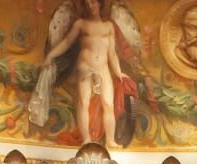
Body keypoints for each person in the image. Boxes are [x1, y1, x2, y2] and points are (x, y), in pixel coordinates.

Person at [43, 0, 131, 146]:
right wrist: (50, 56)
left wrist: (118, 72)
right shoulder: (81, 24)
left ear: (100, 4)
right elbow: (66, 42)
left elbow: (112, 53)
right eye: (88, 3)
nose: (91, 6)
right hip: (85, 67)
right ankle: (86, 139)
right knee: (83, 102)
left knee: (108, 104)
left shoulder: (108, 26)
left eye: (94, 3)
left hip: (103, 68)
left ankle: (110, 140)